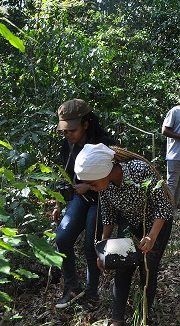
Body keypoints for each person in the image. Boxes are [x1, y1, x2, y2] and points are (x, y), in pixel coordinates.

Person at [74, 143, 173, 326]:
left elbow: (163, 206)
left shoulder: (139, 170)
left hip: (157, 223)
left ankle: (143, 317)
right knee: (123, 265)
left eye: (92, 184)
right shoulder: (104, 185)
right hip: (130, 221)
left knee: (147, 271)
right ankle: (117, 320)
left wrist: (151, 236)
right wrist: (102, 248)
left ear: (104, 172)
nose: (91, 188)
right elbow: (109, 215)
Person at [51, 98, 115, 310]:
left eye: (72, 130)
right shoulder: (67, 145)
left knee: (91, 247)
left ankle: (91, 293)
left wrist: (87, 185)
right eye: (65, 130)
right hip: (80, 199)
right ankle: (72, 288)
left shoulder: (102, 144)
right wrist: (59, 204)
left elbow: (110, 177)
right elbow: (65, 176)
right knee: (62, 239)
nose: (68, 134)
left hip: (99, 199)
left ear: (86, 124)